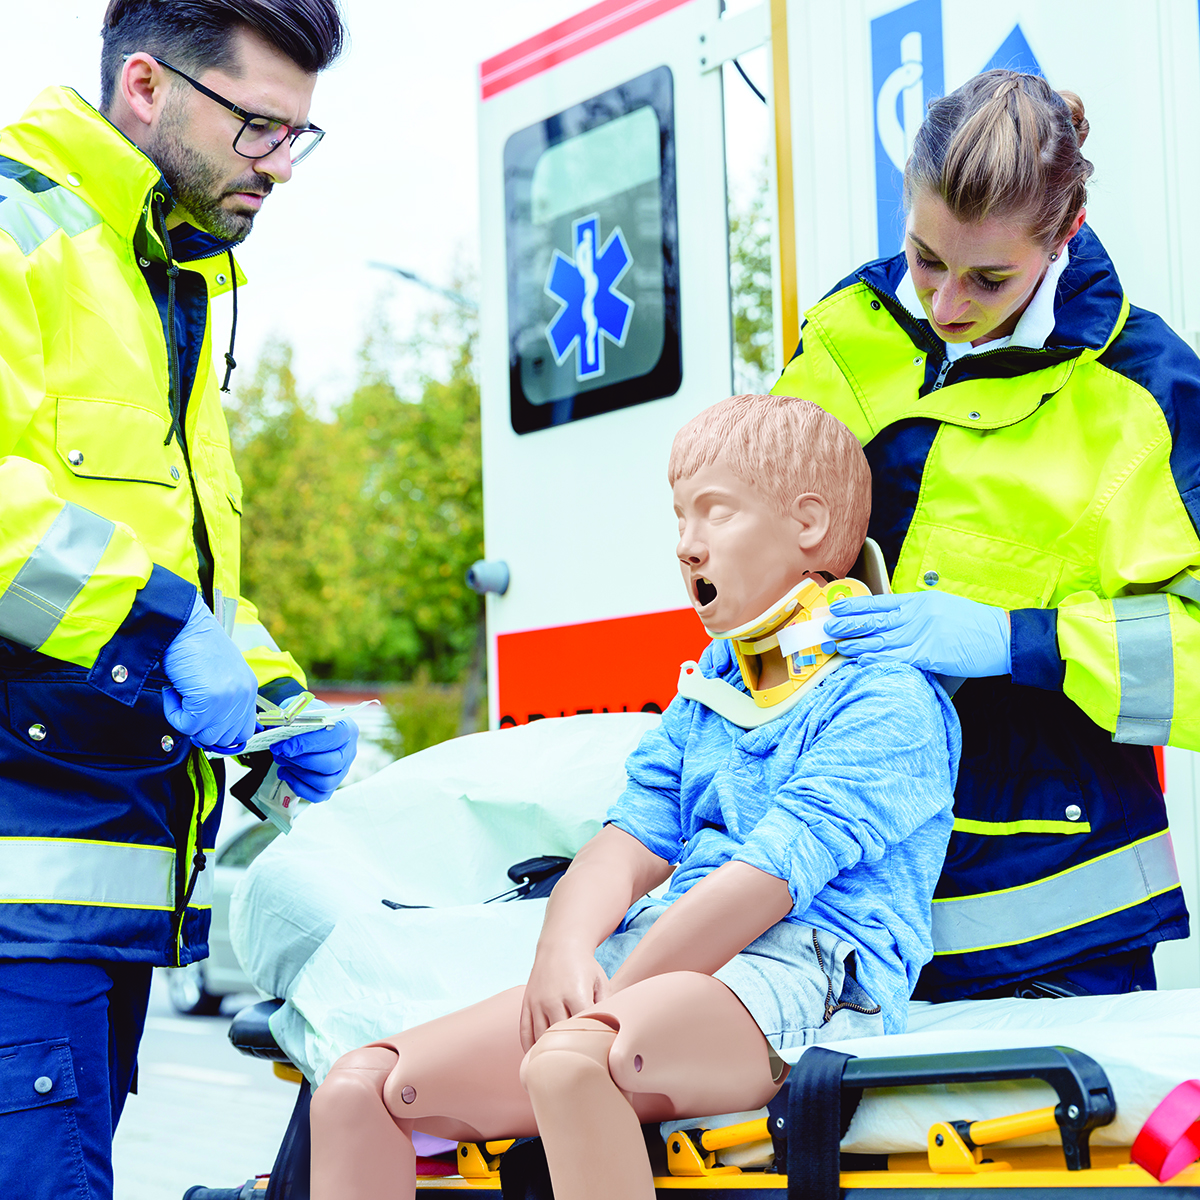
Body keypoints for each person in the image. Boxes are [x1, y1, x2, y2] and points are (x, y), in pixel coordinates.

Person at [306, 394, 961, 1200]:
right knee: (356, 1087)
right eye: (680, 519)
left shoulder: (888, 697)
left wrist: (617, 992)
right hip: (664, 967)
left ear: (809, 524)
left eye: (714, 515)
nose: (687, 547)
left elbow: (769, 879)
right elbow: (630, 840)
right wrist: (564, 948)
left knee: (574, 1061)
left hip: (812, 972)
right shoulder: (716, 686)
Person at [0, 2, 355, 1196]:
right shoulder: (18, 227)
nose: (280, 167)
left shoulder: (166, 275)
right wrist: (167, 629)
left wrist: (275, 697)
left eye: (301, 135)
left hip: (92, 883)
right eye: (258, 126)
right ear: (145, 85)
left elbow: (180, 562)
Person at [775, 69, 1197, 1001]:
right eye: (925, 257)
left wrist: (1016, 642)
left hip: (1054, 927)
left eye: (989, 276)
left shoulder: (1145, 397)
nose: (946, 302)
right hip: (837, 896)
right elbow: (761, 527)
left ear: (1066, 234)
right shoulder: (853, 329)